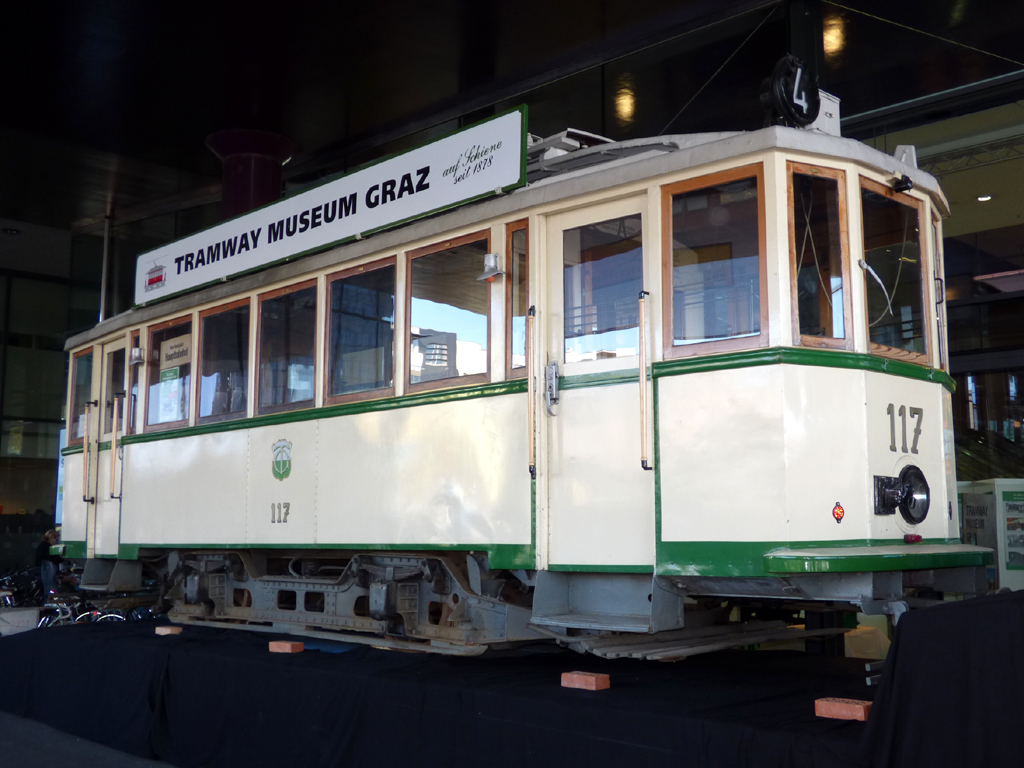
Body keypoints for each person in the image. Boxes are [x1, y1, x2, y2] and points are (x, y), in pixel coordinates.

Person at [35, 530, 61, 594]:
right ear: (51, 538)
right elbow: (54, 558)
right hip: (47, 570)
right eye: (55, 539)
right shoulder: (47, 547)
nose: (56, 542)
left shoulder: (43, 546)